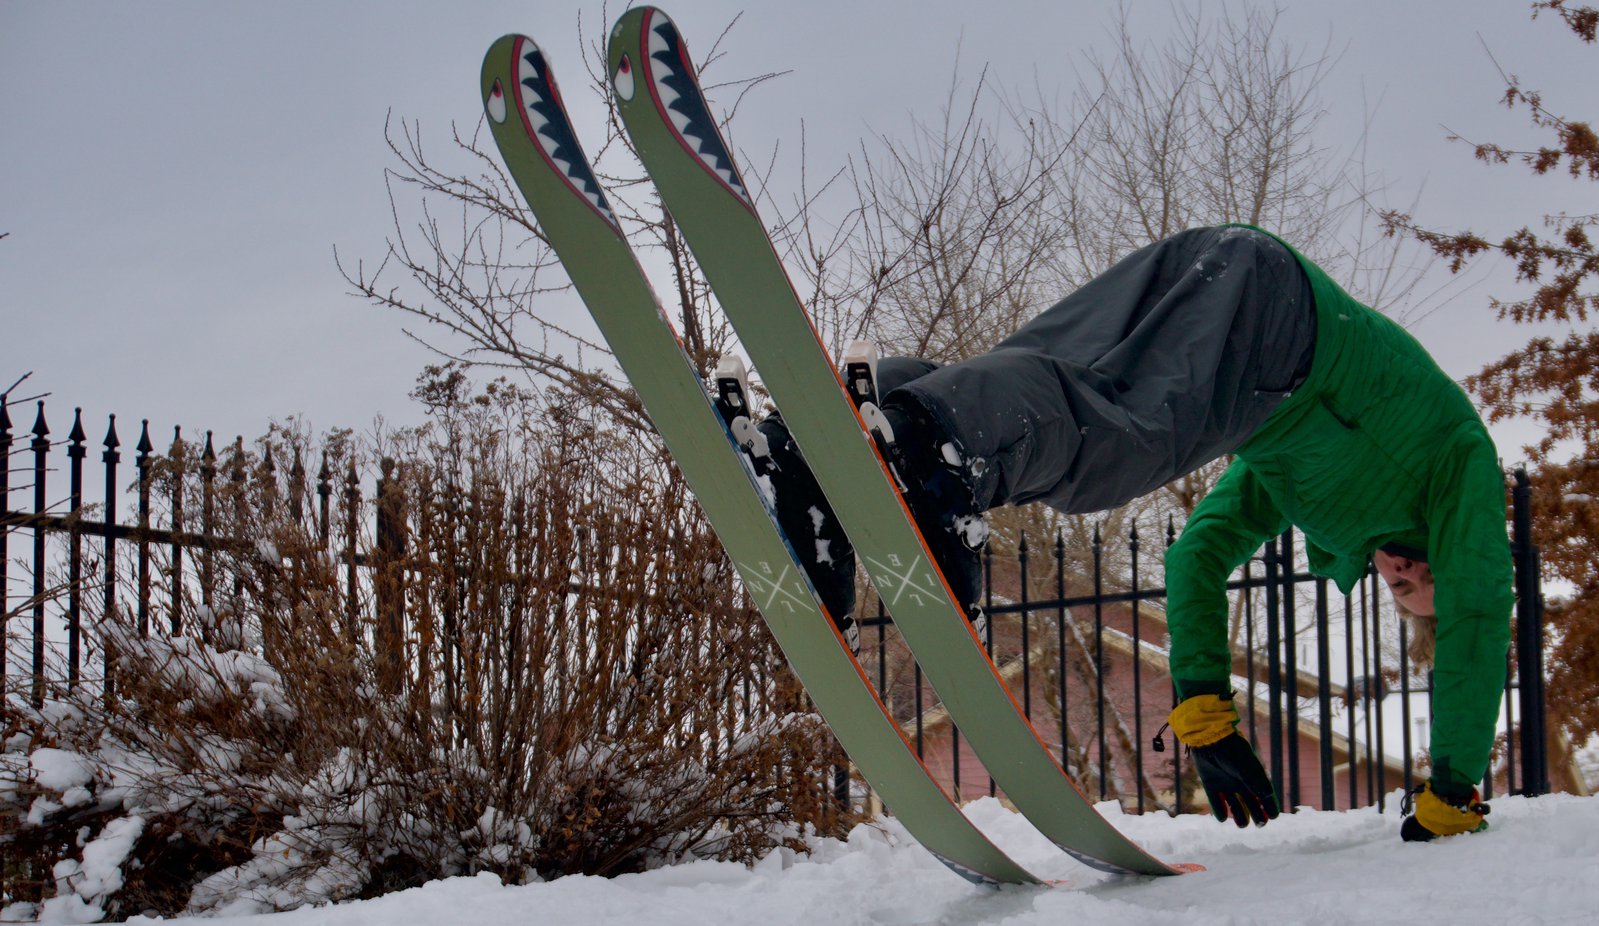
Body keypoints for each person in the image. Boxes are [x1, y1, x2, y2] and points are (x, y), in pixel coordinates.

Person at [761, 224, 1513, 842]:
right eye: (1422, 571)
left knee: (1039, 372)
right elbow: (1477, 610)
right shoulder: (1458, 461)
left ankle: (823, 449)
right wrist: (1451, 788)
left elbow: (1197, 557)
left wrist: (1206, 712)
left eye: (1398, 586)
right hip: (1278, 326)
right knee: (1110, 447)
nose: (1401, 570)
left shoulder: (1299, 472)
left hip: (1217, 269)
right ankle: (937, 459)